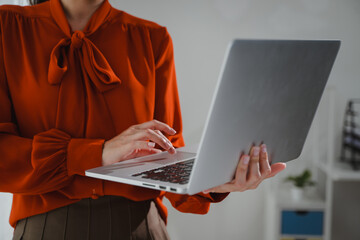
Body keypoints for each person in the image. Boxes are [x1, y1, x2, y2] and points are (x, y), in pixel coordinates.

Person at [0, 0, 286, 239]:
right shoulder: (7, 27)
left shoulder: (152, 38)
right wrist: (96, 153)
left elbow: (168, 151)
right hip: (46, 228)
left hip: (141, 228)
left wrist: (212, 181)